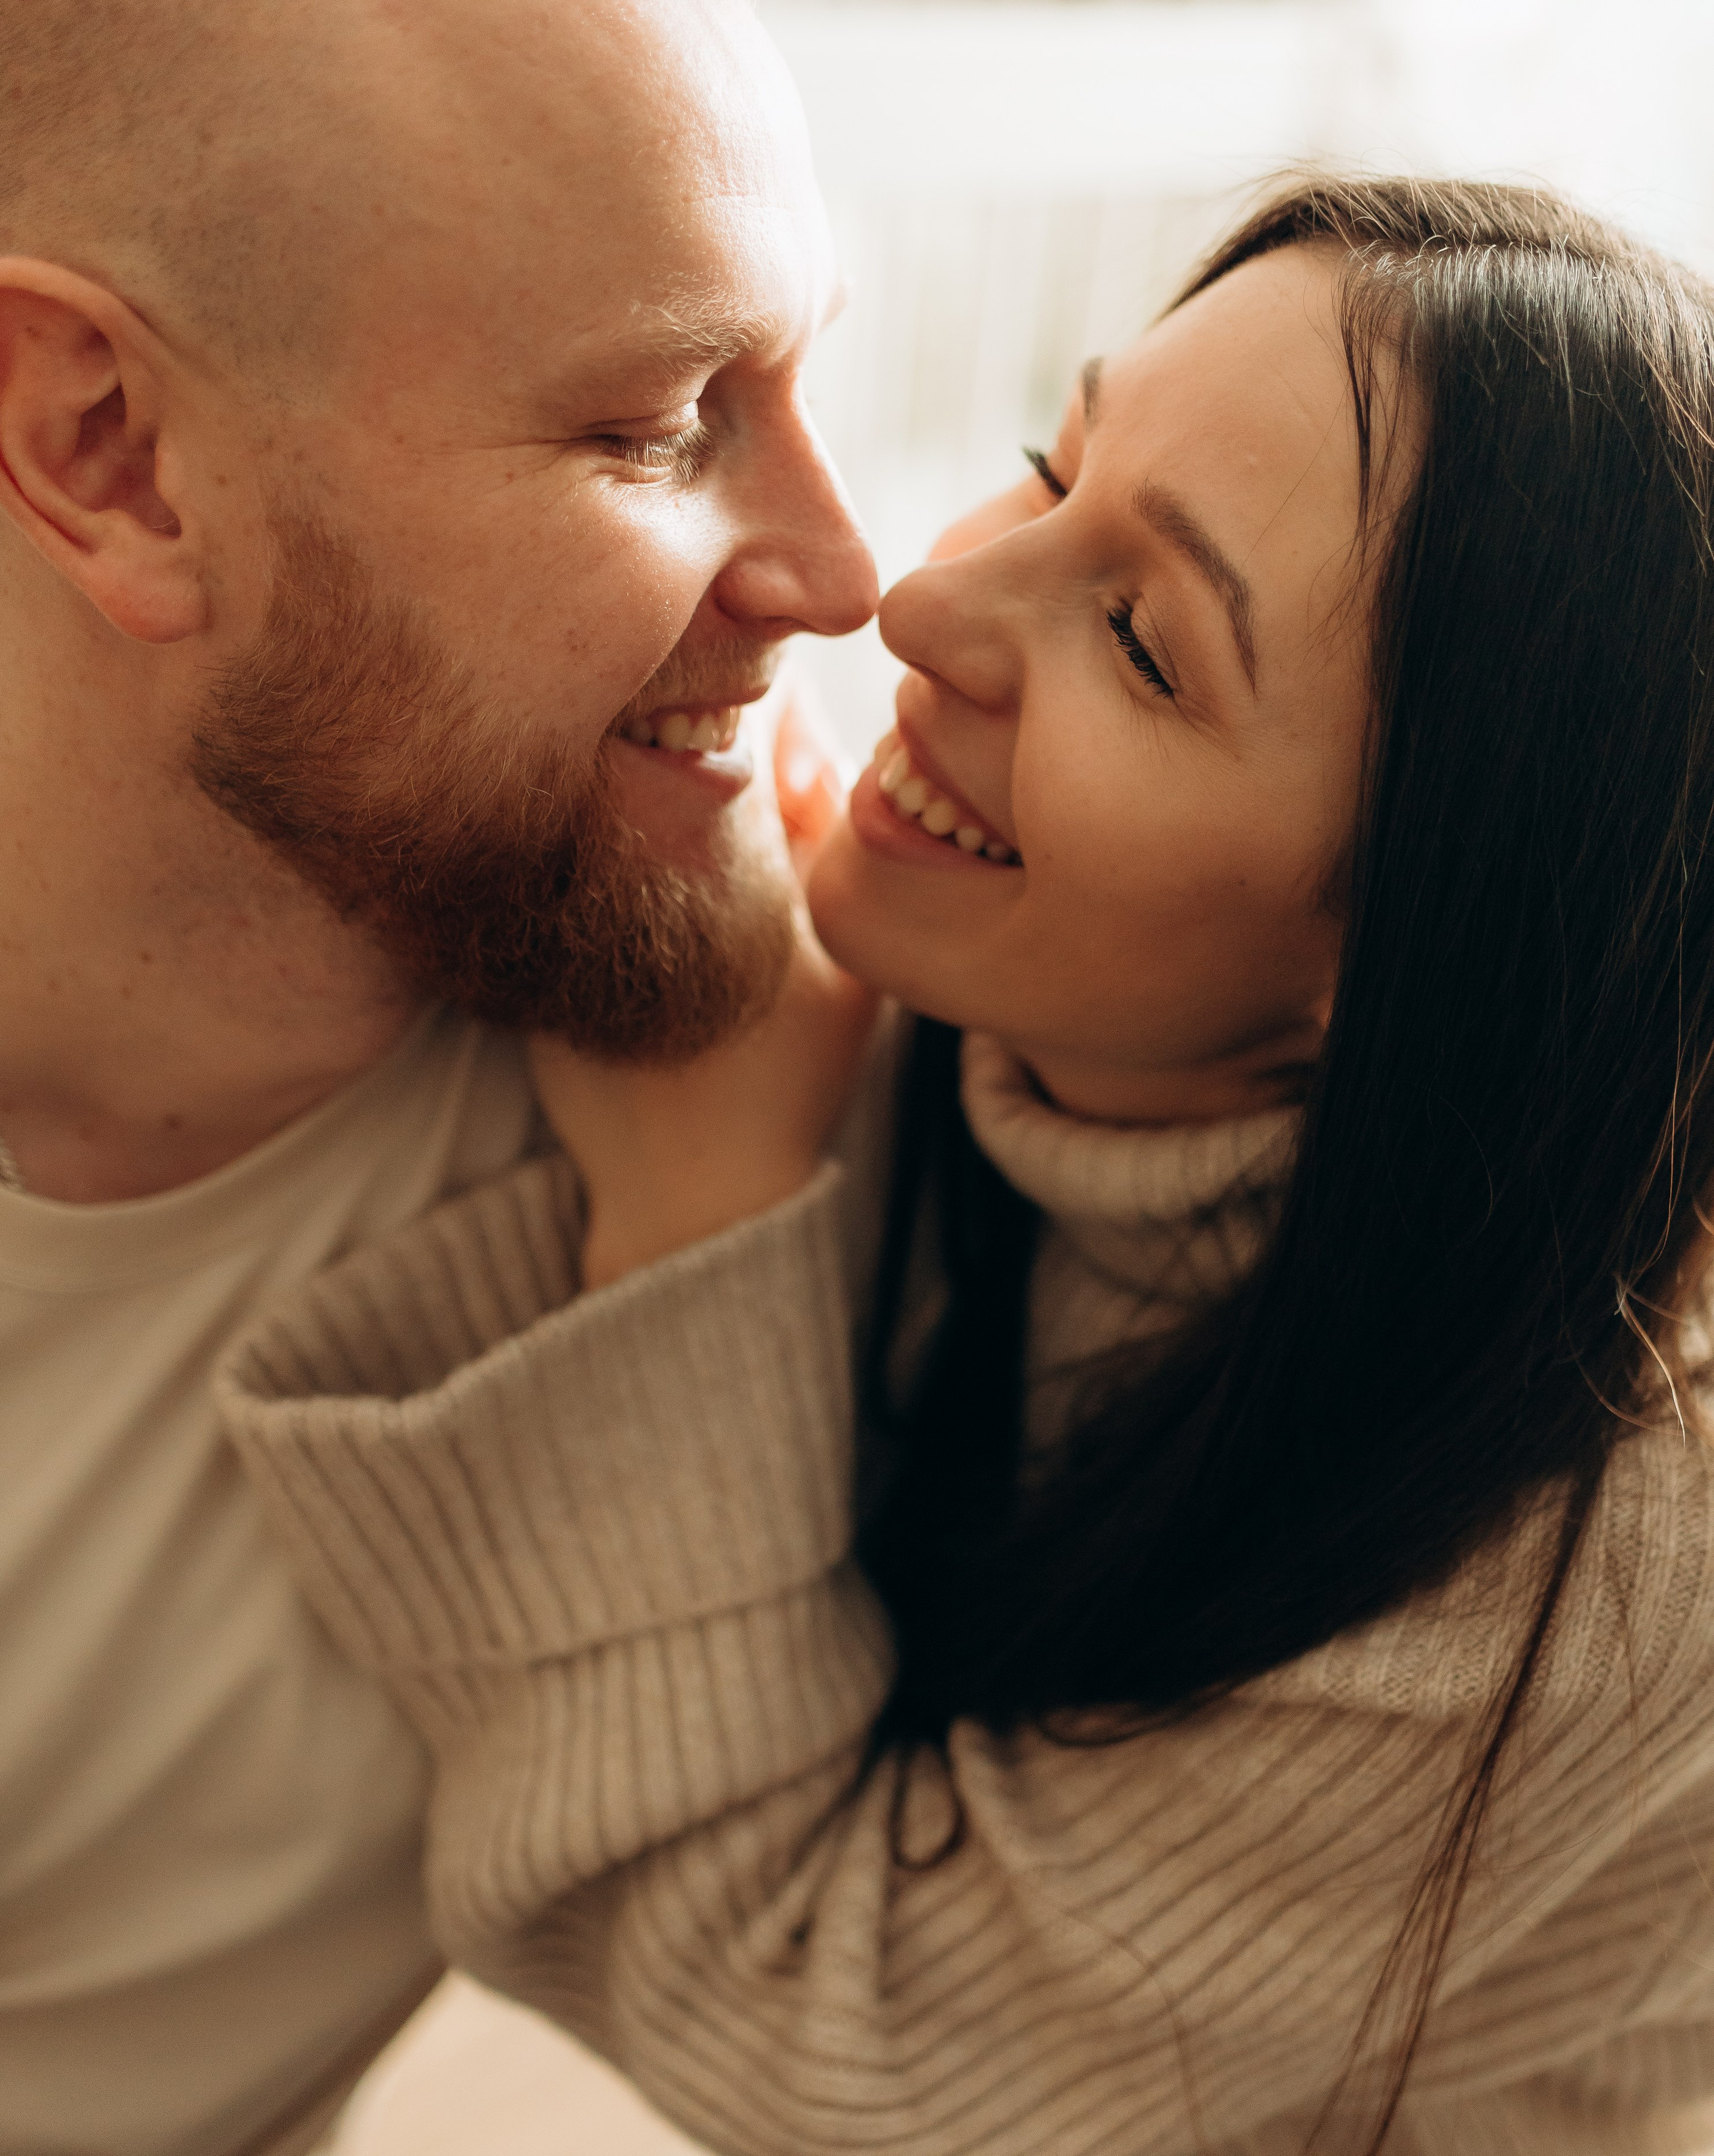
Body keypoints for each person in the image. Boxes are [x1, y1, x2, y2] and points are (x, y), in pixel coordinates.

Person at [224, 175, 1714, 2156]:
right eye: (1052, 467)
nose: (914, 607)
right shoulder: (1011, 1009)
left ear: (1419, 970)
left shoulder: (1618, 1533)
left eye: (1145, 643)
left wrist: (704, 1211)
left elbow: (844, 2057)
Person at [0, 0, 876, 2148]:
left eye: (810, 378)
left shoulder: (779, 1017)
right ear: (109, 450)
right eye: (661, 425)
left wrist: (709, 1242)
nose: (844, 569)